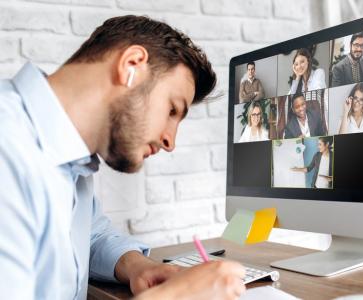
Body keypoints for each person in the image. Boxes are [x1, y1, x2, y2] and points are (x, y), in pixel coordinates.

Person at [0, 15, 245, 300]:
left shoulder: (70, 160)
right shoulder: (9, 146)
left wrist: (136, 265)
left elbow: (88, 235)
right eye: (172, 110)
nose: (170, 141)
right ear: (131, 65)